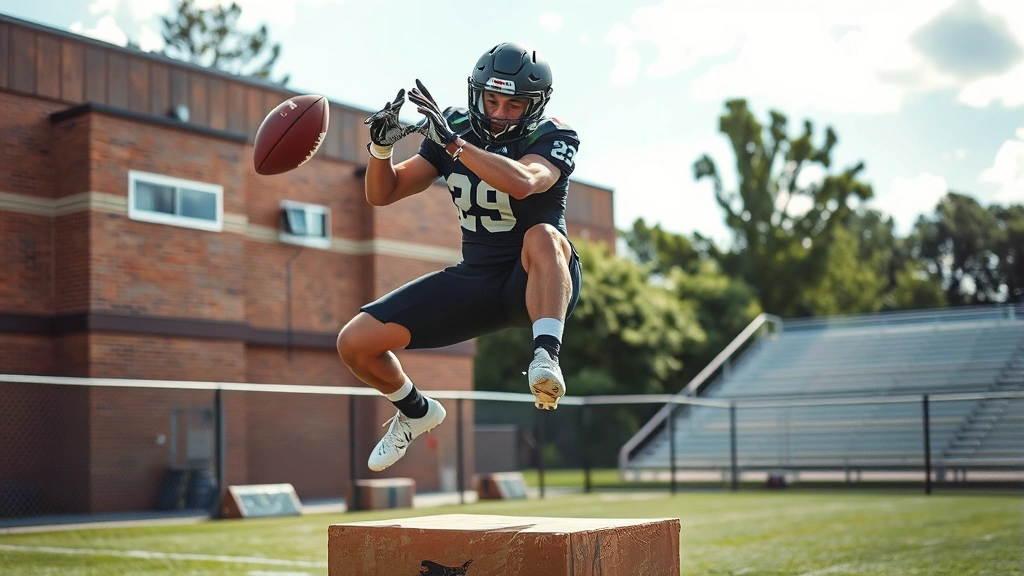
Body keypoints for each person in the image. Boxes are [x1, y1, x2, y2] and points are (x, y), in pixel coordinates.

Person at [336, 42, 582, 472]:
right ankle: (415, 411)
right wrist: (379, 150)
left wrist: (455, 146)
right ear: (477, 93)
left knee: (543, 235)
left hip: (538, 280)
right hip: (479, 279)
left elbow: (524, 182)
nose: (499, 113)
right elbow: (384, 192)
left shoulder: (553, 134)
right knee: (355, 344)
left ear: (535, 106)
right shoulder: (453, 128)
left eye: (513, 104)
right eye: (492, 100)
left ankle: (546, 356)